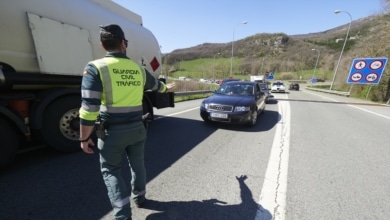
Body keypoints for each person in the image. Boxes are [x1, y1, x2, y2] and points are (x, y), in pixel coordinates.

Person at [78, 24, 175, 220]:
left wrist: (84, 137)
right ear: (123, 44)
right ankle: (139, 198)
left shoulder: (95, 68)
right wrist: (167, 87)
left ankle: (123, 216)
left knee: (111, 170)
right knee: (137, 164)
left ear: (102, 44)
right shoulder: (137, 69)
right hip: (138, 129)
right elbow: (157, 86)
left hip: (111, 133)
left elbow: (89, 108)